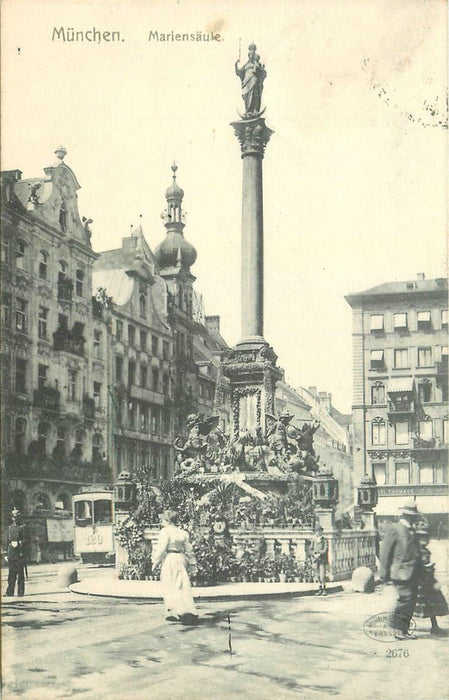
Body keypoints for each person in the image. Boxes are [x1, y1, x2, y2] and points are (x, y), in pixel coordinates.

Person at [379, 501, 422, 640]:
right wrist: (383, 575)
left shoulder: (411, 529)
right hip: (401, 572)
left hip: (413, 572)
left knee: (411, 601)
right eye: (412, 516)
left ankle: (403, 629)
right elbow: (385, 553)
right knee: (405, 600)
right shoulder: (395, 529)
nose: (414, 518)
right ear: (405, 515)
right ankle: (397, 629)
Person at [152, 510, 198, 624]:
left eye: (163, 519)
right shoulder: (183, 532)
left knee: (169, 584)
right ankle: (185, 609)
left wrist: (155, 561)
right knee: (181, 584)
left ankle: (175, 610)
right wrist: (192, 563)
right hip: (181, 558)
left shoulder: (165, 531)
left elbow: (161, 548)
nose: (161, 521)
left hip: (170, 558)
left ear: (168, 520)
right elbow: (189, 549)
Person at [414, 523, 448, 636]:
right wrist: (426, 567)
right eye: (421, 537)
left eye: (426, 537)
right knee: (414, 604)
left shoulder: (426, 551)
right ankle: (404, 624)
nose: (424, 540)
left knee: (432, 604)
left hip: (429, 580)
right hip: (420, 581)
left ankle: (434, 625)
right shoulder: (416, 551)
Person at [235, 43, 267, 117]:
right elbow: (239, 72)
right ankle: (248, 111)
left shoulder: (257, 63)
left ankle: (255, 110)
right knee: (246, 95)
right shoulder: (246, 65)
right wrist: (235, 64)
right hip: (246, 82)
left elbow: (263, 73)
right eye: (249, 54)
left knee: (254, 94)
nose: (251, 55)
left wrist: (257, 68)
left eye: (252, 53)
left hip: (254, 80)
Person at [5, 507, 27, 597]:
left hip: (19, 553)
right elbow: (6, 541)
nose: (15, 519)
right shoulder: (9, 528)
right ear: (11, 518)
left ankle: (20, 592)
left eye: (17, 517)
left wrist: (19, 543)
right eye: (13, 517)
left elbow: (27, 539)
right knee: (11, 574)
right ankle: (10, 592)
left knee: (20, 574)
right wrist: (6, 553)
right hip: (11, 553)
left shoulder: (23, 527)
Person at [312, 525, 328, 596]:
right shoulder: (314, 540)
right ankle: (319, 589)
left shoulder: (324, 540)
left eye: (319, 531)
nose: (318, 533)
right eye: (316, 531)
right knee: (317, 575)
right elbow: (311, 549)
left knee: (322, 575)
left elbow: (325, 550)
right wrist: (314, 554)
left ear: (322, 532)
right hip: (315, 559)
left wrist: (319, 553)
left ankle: (324, 589)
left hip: (322, 559)